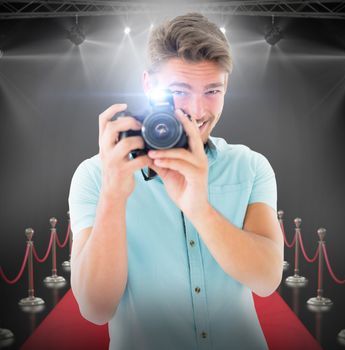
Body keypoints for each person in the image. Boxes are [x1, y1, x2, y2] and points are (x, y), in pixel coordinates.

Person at [68, 12, 284, 350]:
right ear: (148, 85)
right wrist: (113, 196)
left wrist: (198, 207)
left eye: (212, 90)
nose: (197, 111)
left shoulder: (250, 167)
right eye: (180, 91)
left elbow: (267, 280)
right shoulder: (95, 175)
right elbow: (96, 309)